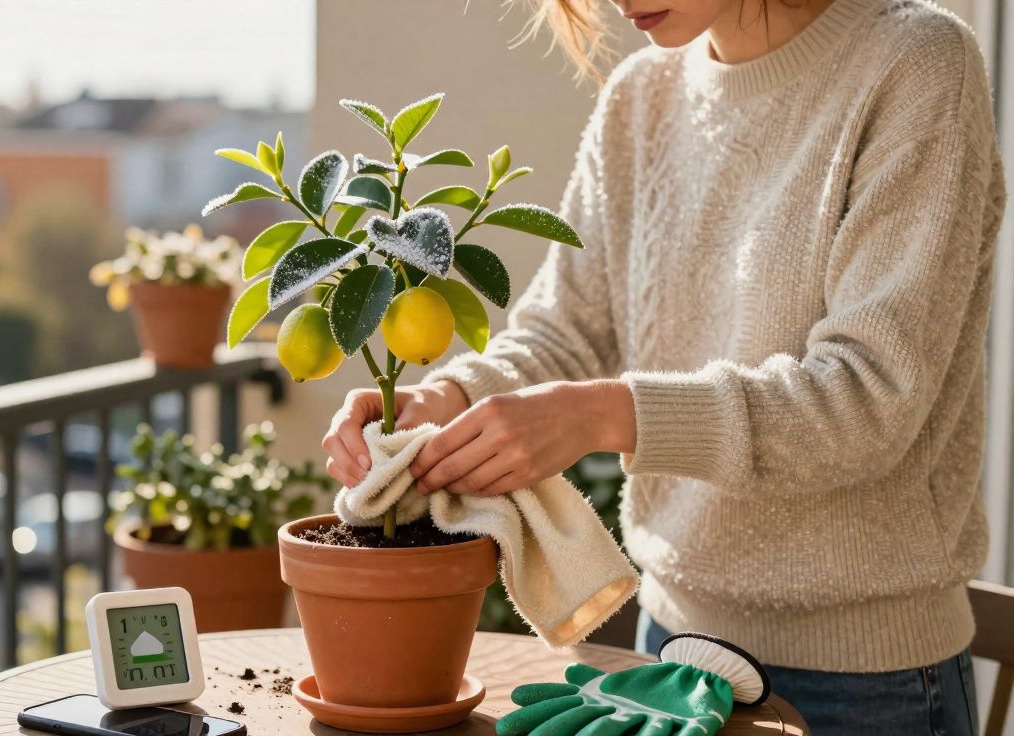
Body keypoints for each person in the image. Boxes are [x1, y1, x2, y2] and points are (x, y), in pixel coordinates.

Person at [320, 0, 1006, 733]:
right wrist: (448, 397)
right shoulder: (639, 98)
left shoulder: (915, 61)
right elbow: (565, 331)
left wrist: (599, 414)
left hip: (870, 686)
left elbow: (868, 397)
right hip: (667, 655)